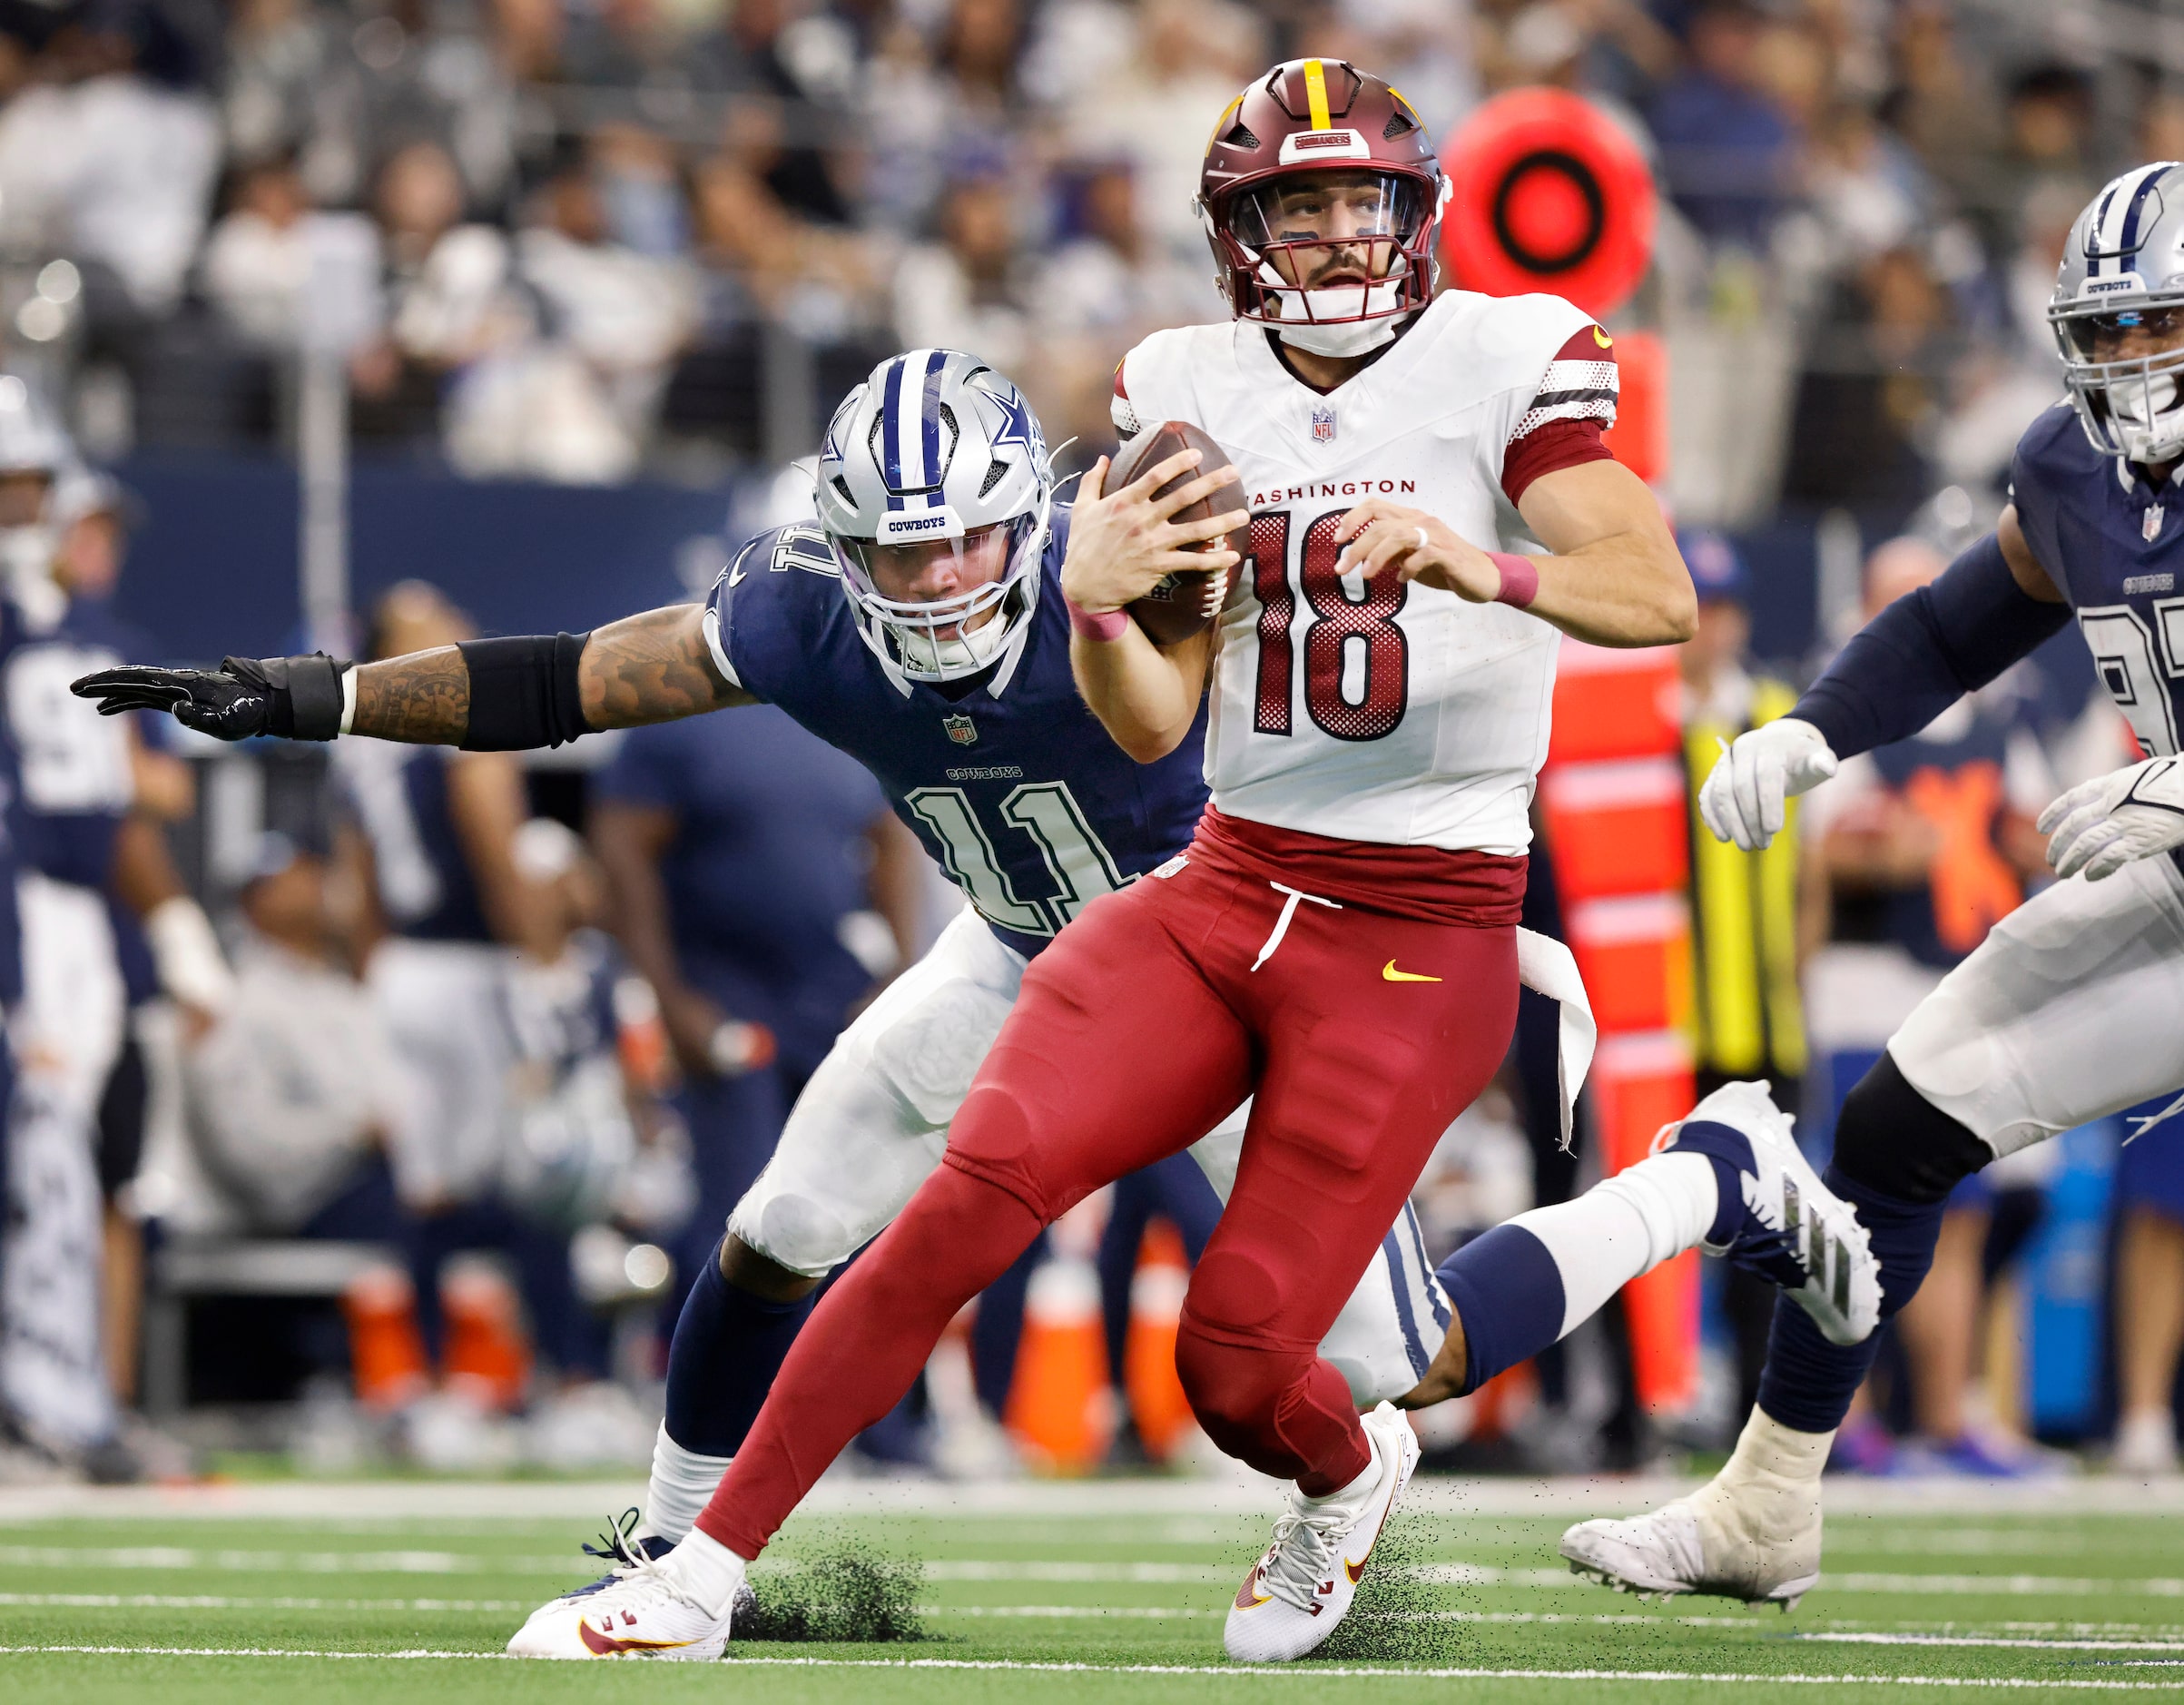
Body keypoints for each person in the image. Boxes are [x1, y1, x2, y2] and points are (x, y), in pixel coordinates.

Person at [79, 349, 1480, 1586]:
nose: (931, 585)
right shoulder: (801, 613)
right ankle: (670, 1539)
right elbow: (565, 679)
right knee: (782, 1219)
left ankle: (1689, 1185)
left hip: (1211, 982)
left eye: (962, 547)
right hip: (1013, 951)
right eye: (892, 553)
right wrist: (320, 695)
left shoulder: (1132, 562)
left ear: (1025, 520)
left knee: (1403, 1366)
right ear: (836, 543)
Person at [1559, 160, 2184, 1606]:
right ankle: (1764, 1504)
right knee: (1903, 1118)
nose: (2129, 365)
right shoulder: (2068, 467)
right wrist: (1809, 728)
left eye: (2159, 327)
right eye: (2106, 333)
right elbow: (1962, 618)